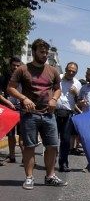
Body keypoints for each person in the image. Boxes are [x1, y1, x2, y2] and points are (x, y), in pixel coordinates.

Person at [7, 38, 67, 190]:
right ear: (33, 52)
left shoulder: (53, 70)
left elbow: (58, 89)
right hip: (29, 114)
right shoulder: (22, 69)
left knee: (52, 145)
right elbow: (11, 88)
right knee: (30, 146)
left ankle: (50, 176)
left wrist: (54, 98)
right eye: (42, 52)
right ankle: (29, 177)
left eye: (46, 52)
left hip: (48, 114)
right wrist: (23, 98)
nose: (45, 55)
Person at [56, 62, 82, 172]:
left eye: (74, 72)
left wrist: (76, 93)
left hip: (68, 114)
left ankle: (63, 164)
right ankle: (50, 162)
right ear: (65, 69)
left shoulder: (77, 83)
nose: (71, 73)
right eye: (69, 70)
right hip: (55, 112)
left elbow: (79, 101)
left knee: (66, 140)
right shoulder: (57, 78)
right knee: (52, 140)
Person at [0, 57, 23, 165]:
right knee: (10, 135)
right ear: (10, 65)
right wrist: (8, 103)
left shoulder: (24, 78)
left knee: (23, 134)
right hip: (8, 109)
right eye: (14, 65)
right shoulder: (4, 78)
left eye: (18, 65)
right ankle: (12, 156)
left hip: (22, 108)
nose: (16, 67)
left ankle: (26, 157)